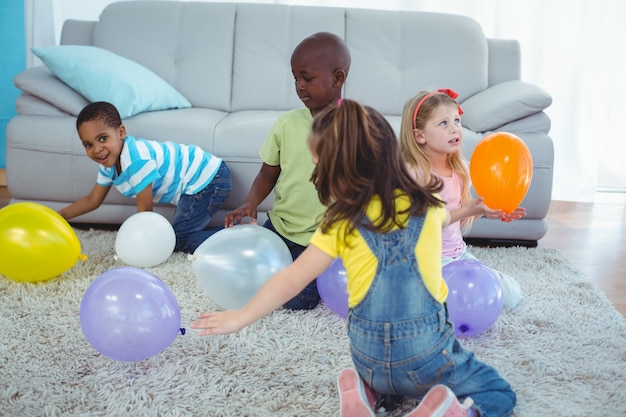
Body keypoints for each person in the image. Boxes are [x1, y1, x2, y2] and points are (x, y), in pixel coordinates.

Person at [192, 100, 517, 417]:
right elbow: (442, 219)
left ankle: (366, 389)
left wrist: (240, 317)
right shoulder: (426, 203)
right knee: (499, 393)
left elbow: (292, 278)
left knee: (384, 365)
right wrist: (472, 208)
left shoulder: (340, 221)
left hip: (369, 356)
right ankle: (455, 412)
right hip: (426, 356)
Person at [223, 31, 351, 311]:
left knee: (298, 300)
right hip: (279, 227)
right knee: (243, 274)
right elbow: (269, 171)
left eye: (307, 78)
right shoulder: (286, 123)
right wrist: (250, 202)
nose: (300, 86)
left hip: (320, 239)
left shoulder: (353, 127)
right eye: (295, 78)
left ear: (337, 78)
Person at [399, 89, 524, 311]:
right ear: (420, 136)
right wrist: (467, 210)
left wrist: (484, 211)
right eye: (444, 123)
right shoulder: (414, 174)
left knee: (511, 297)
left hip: (457, 254)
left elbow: (461, 218)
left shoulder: (460, 170)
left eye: (456, 120)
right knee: (445, 305)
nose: (455, 128)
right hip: (423, 260)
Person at [58, 101, 232, 254]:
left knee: (179, 240)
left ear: (121, 132)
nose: (96, 149)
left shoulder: (135, 160)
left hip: (207, 179)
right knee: (182, 234)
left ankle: (237, 235)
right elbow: (93, 199)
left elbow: (145, 213)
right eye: (88, 144)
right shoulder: (107, 163)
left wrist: (141, 246)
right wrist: (60, 215)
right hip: (201, 180)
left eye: (102, 139)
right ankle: (221, 233)